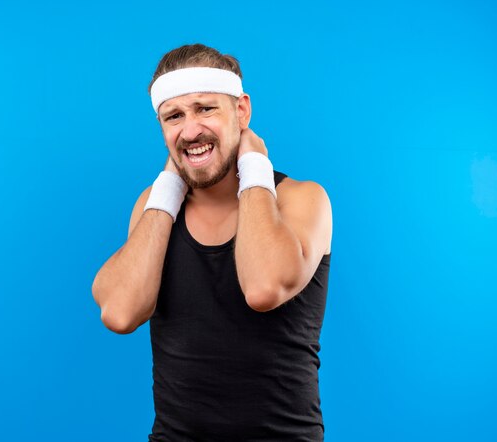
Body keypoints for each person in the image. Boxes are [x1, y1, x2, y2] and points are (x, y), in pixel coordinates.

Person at [92, 43, 332, 441]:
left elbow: (263, 287)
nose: (190, 131)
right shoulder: (155, 207)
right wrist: (167, 190)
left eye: (205, 108)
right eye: (173, 116)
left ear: (241, 111)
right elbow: (120, 312)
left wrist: (254, 168)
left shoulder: (302, 199)